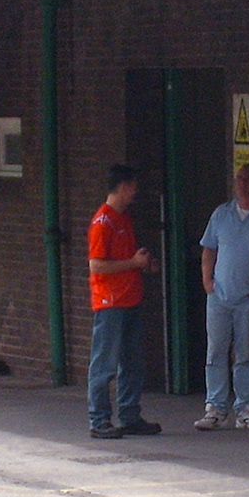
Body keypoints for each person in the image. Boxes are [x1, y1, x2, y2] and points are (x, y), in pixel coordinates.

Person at [195, 163, 249, 430]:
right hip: (220, 296)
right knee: (216, 351)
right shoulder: (221, 214)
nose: (241, 184)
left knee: (245, 353)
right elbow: (208, 248)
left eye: (247, 180)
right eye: (238, 179)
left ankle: (244, 408)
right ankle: (215, 408)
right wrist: (207, 280)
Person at [87, 164, 161, 438]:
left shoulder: (124, 219)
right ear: (122, 187)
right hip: (110, 302)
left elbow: (124, 260)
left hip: (130, 298)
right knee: (104, 363)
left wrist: (141, 263)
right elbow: (96, 265)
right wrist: (132, 262)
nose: (134, 193)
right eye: (131, 188)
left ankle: (130, 415)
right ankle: (99, 420)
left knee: (132, 362)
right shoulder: (102, 223)